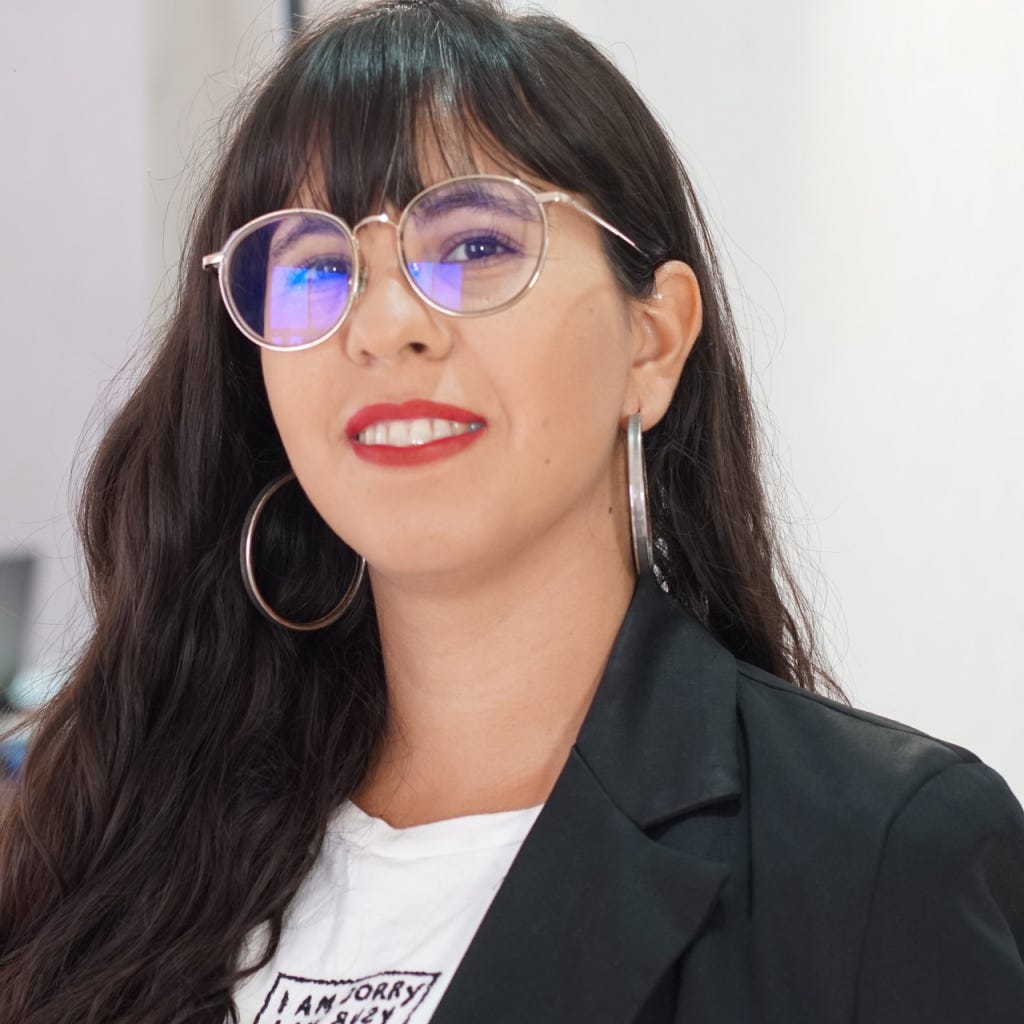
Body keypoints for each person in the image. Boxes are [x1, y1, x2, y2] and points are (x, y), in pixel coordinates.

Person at [1, 1, 1022, 1021]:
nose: (382, 325)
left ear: (653, 341)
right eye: (314, 267)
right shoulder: (111, 840)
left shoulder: (880, 860)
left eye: (475, 245)